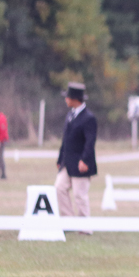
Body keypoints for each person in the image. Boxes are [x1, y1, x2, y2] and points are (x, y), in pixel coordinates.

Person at [55, 82, 97, 230]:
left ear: (75, 99)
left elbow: (90, 142)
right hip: (67, 162)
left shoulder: (89, 118)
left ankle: (85, 226)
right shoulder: (70, 115)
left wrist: (85, 160)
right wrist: (60, 159)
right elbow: (65, 139)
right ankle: (68, 221)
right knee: (59, 188)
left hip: (81, 162)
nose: (66, 99)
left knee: (80, 195)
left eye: (68, 97)